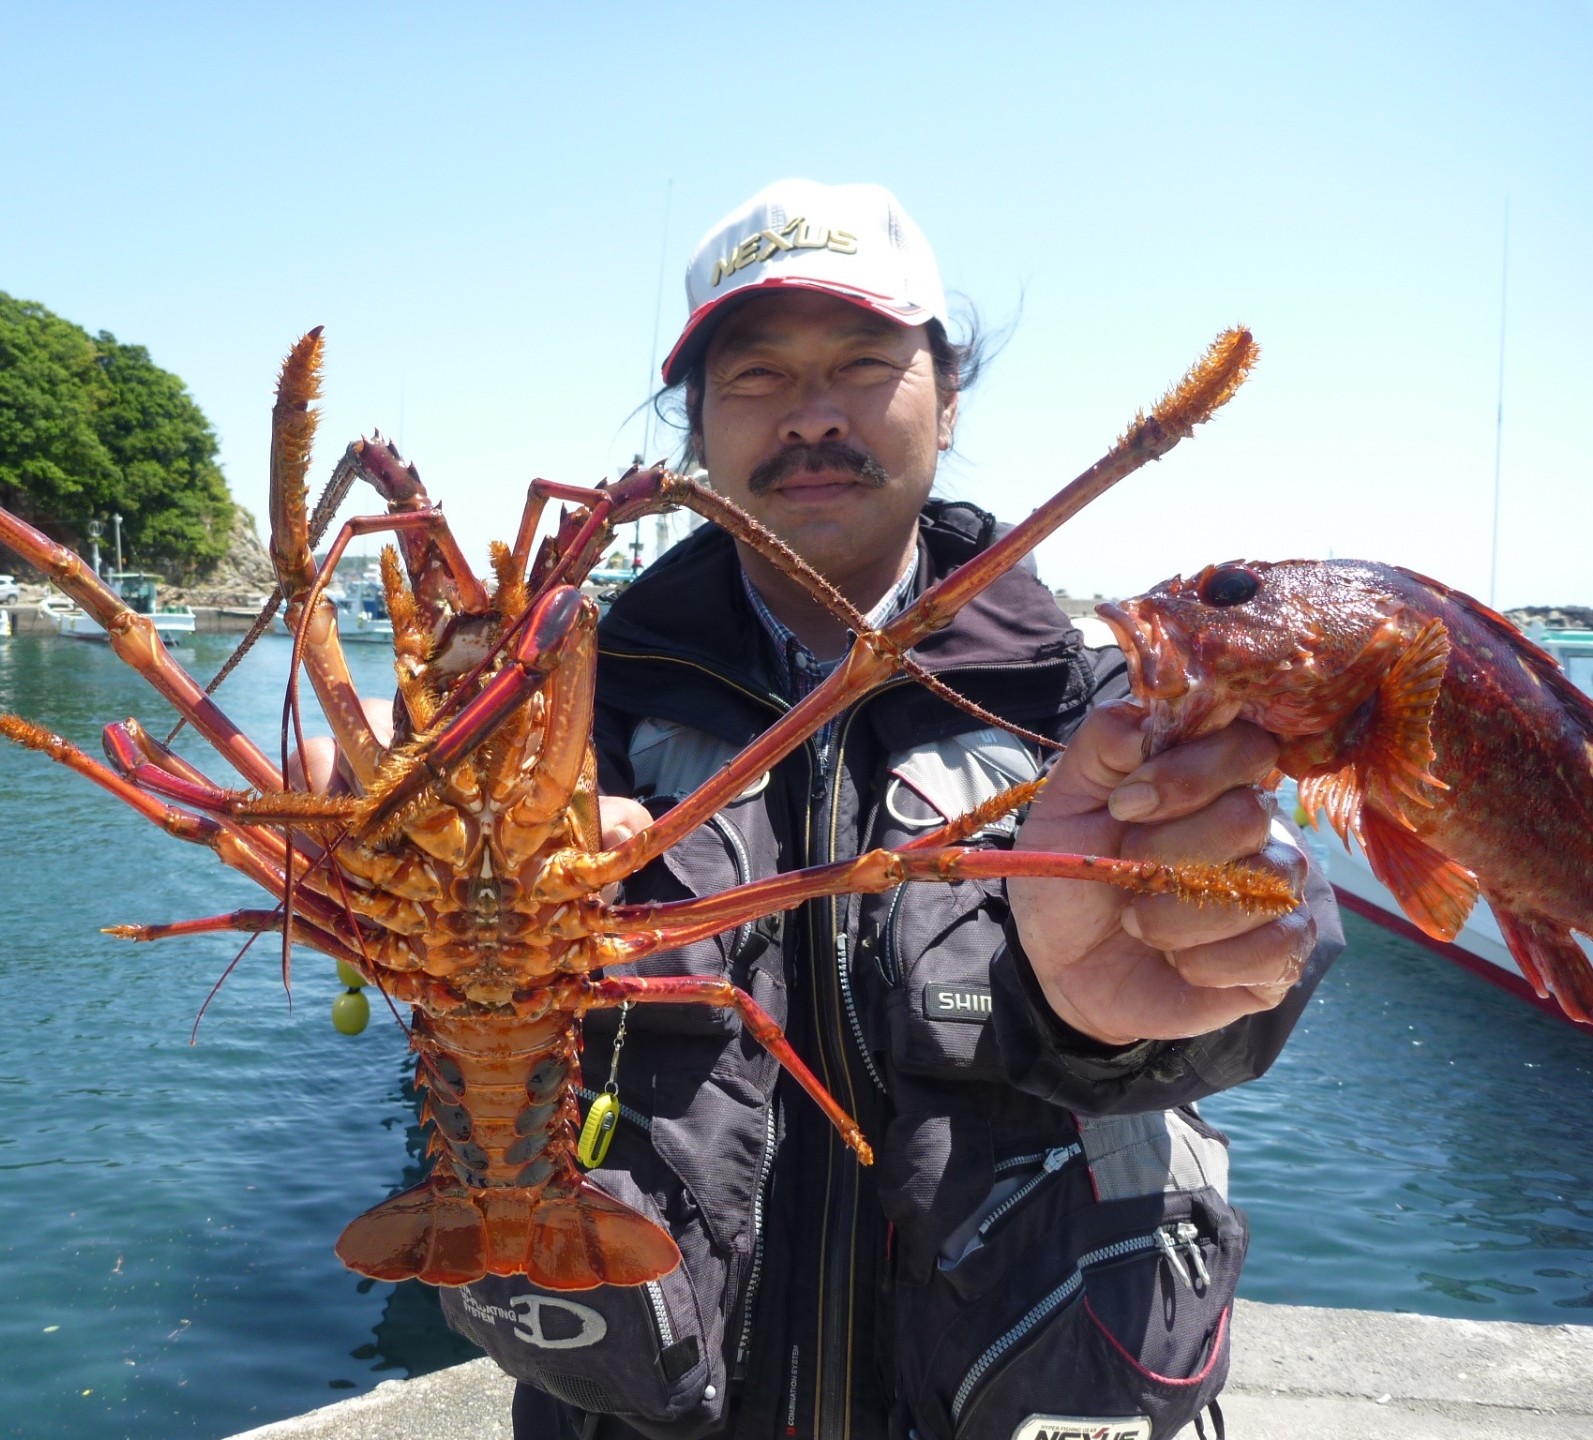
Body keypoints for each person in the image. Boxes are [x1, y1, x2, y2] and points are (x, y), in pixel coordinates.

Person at [498, 180, 1340, 1440]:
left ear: (949, 400)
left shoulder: (1101, 694)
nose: (813, 416)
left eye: (862, 363)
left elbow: (1270, 956)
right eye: (757, 377)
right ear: (697, 430)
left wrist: (1155, 994)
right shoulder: (573, 702)